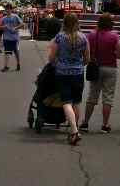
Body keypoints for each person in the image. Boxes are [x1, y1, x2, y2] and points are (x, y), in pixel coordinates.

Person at [47, 13, 89, 146]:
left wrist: (57, 64)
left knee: (66, 102)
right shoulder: (83, 37)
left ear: (64, 23)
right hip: (78, 73)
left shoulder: (59, 37)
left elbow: (51, 57)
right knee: (76, 102)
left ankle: (74, 130)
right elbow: (87, 58)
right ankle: (74, 128)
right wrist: (79, 65)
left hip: (62, 73)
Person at [80, 13, 120, 134]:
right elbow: (119, 55)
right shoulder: (114, 36)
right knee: (108, 97)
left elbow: (85, 52)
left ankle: (85, 123)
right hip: (110, 68)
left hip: (95, 68)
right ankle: (105, 125)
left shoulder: (91, 35)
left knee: (92, 96)